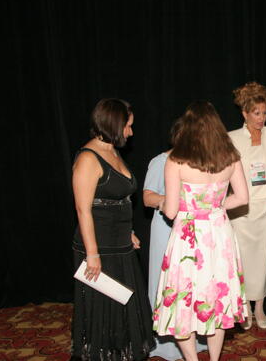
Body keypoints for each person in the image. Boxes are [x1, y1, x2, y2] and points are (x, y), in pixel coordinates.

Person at [152, 101, 249, 361]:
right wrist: (215, 207)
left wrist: (162, 202)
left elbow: (171, 211)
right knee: (216, 301)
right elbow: (242, 198)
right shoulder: (231, 157)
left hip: (189, 238)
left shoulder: (176, 160)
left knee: (182, 301)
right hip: (219, 235)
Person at [71, 98, 154, 360]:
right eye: (128, 126)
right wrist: (92, 254)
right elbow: (84, 210)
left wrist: (127, 231)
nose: (130, 132)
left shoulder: (113, 151)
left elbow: (114, 200)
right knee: (102, 312)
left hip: (120, 244)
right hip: (100, 249)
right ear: (114, 124)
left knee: (123, 310)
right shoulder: (88, 158)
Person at [143, 120, 207, 359]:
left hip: (193, 233)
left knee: (192, 287)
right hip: (166, 231)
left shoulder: (197, 165)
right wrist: (165, 201)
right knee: (167, 287)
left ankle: (196, 340)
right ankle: (165, 343)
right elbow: (147, 196)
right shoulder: (160, 161)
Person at [228, 81, 266, 330]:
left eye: (264, 113)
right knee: (241, 260)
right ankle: (243, 307)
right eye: (256, 113)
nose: (261, 118)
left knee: (263, 259)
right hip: (240, 212)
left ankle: (259, 306)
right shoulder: (231, 138)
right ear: (245, 113)